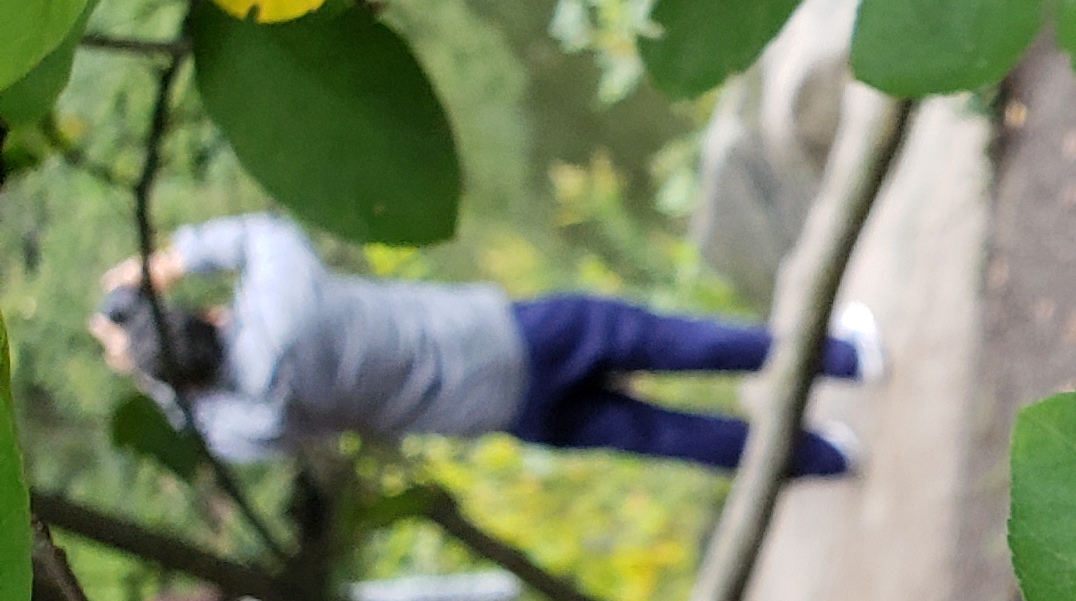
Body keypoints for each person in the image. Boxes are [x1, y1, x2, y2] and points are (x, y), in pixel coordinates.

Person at [92, 213, 880, 476]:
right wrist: (167, 259)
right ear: (196, 314)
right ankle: (841, 359)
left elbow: (198, 420)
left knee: (659, 435)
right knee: (679, 343)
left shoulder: (244, 422)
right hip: (507, 334)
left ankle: (828, 460)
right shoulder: (284, 297)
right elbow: (263, 231)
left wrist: (147, 369)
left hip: (489, 409)